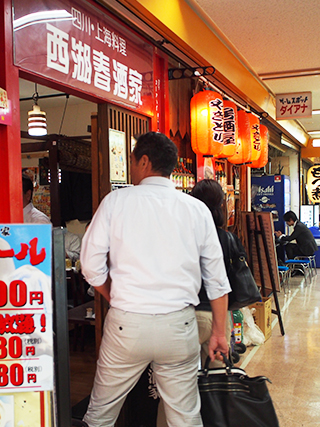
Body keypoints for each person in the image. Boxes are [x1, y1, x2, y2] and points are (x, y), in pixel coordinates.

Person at [80, 132, 231, 427]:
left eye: (133, 161)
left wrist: (114, 297)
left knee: (100, 413)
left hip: (127, 325)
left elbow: (90, 265)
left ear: (145, 161)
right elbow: (217, 279)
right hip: (178, 327)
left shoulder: (116, 202)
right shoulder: (196, 209)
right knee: (185, 416)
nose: (133, 168)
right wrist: (219, 333)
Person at [190, 179, 237, 366]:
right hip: (219, 315)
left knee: (184, 380)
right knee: (218, 379)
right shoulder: (228, 238)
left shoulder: (185, 235)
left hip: (188, 315)